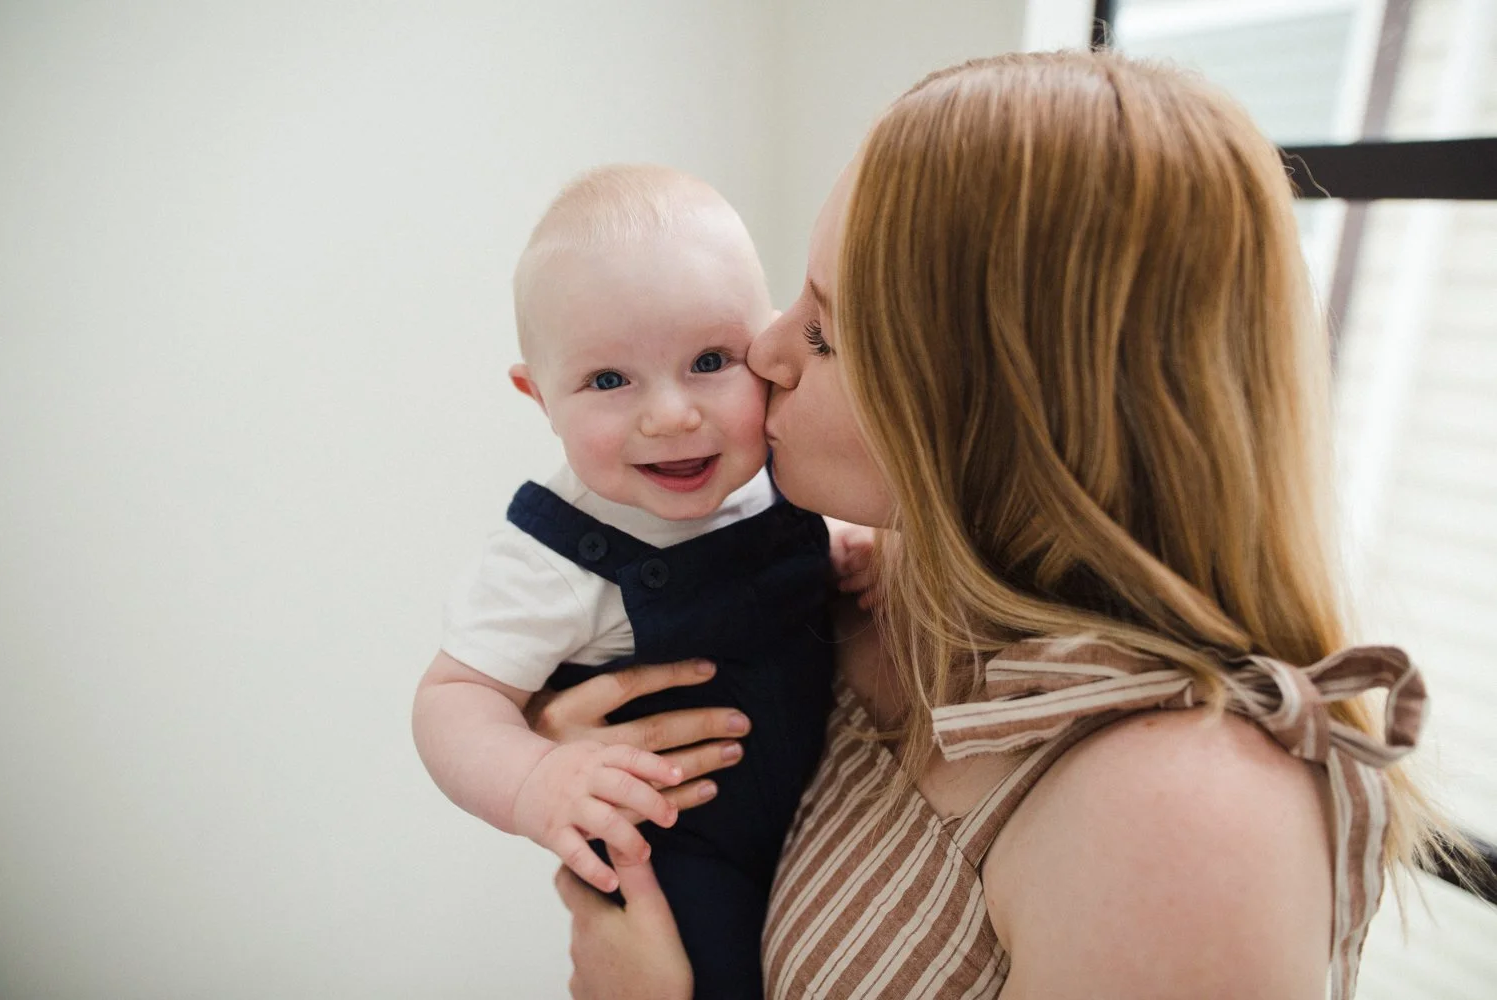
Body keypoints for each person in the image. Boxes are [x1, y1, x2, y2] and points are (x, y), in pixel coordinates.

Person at [533, 53, 1444, 1000]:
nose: (764, 351)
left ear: (1015, 411)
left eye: (825, 333)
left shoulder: (1186, 815)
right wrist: (563, 736)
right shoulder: (873, 588)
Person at [411, 164, 872, 1000]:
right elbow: (452, 698)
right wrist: (532, 780)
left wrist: (838, 550)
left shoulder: (776, 475)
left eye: (710, 361)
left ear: (765, 346)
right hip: (678, 853)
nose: (670, 415)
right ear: (539, 397)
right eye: (609, 381)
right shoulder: (549, 558)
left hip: (817, 815)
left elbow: (779, 560)